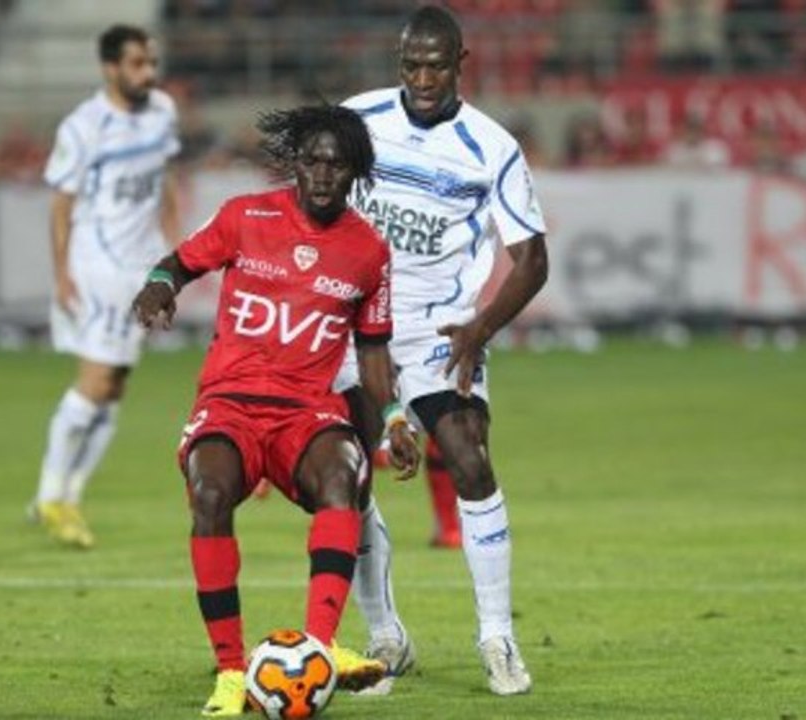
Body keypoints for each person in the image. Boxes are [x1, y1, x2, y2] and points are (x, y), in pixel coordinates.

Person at [131, 104, 421, 717]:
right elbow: (178, 263)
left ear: (354, 173)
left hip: (304, 413)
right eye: (311, 161)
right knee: (208, 494)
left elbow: (372, 353)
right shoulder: (245, 217)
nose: (320, 174)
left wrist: (394, 418)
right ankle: (232, 671)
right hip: (230, 403)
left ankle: (320, 644)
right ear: (294, 163)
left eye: (335, 164)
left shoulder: (368, 252)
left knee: (345, 477)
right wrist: (158, 285)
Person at [337, 3, 549, 697]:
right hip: (356, 323)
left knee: (470, 457)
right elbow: (315, 206)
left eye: (436, 63)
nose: (423, 77)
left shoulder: (492, 147)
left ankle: (497, 637)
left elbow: (532, 260)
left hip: (441, 331)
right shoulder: (359, 119)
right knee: (347, 476)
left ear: (461, 64)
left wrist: (480, 329)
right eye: (411, 64)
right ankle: (385, 636)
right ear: (399, 65)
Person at [28, 24, 181, 548]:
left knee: (114, 386)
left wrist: (175, 248)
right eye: (137, 63)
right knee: (95, 382)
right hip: (97, 266)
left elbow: (165, 179)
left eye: (151, 62)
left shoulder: (162, 111)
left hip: (139, 267)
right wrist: (62, 273)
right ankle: (53, 496)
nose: (148, 73)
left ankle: (62, 493)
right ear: (110, 67)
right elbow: (61, 203)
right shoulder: (83, 126)